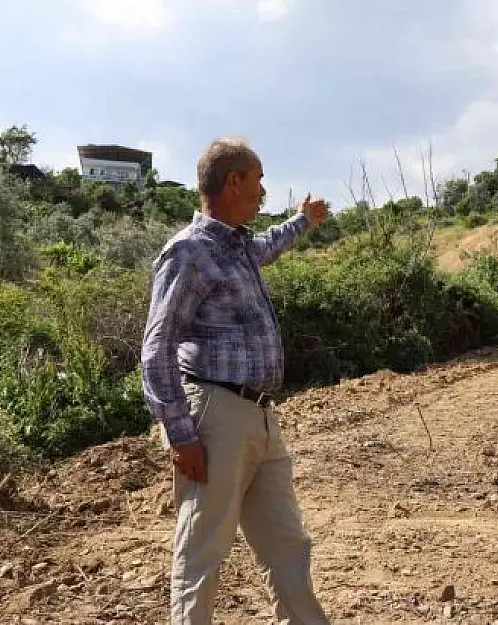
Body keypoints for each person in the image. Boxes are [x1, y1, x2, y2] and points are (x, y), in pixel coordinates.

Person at [140, 137, 331, 624]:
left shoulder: (238, 245)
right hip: (214, 414)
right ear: (234, 182)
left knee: (287, 543)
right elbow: (157, 349)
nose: (264, 190)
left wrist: (303, 221)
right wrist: (181, 435)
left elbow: (269, 245)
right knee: (203, 552)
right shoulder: (187, 252)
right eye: (259, 179)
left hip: (262, 417)